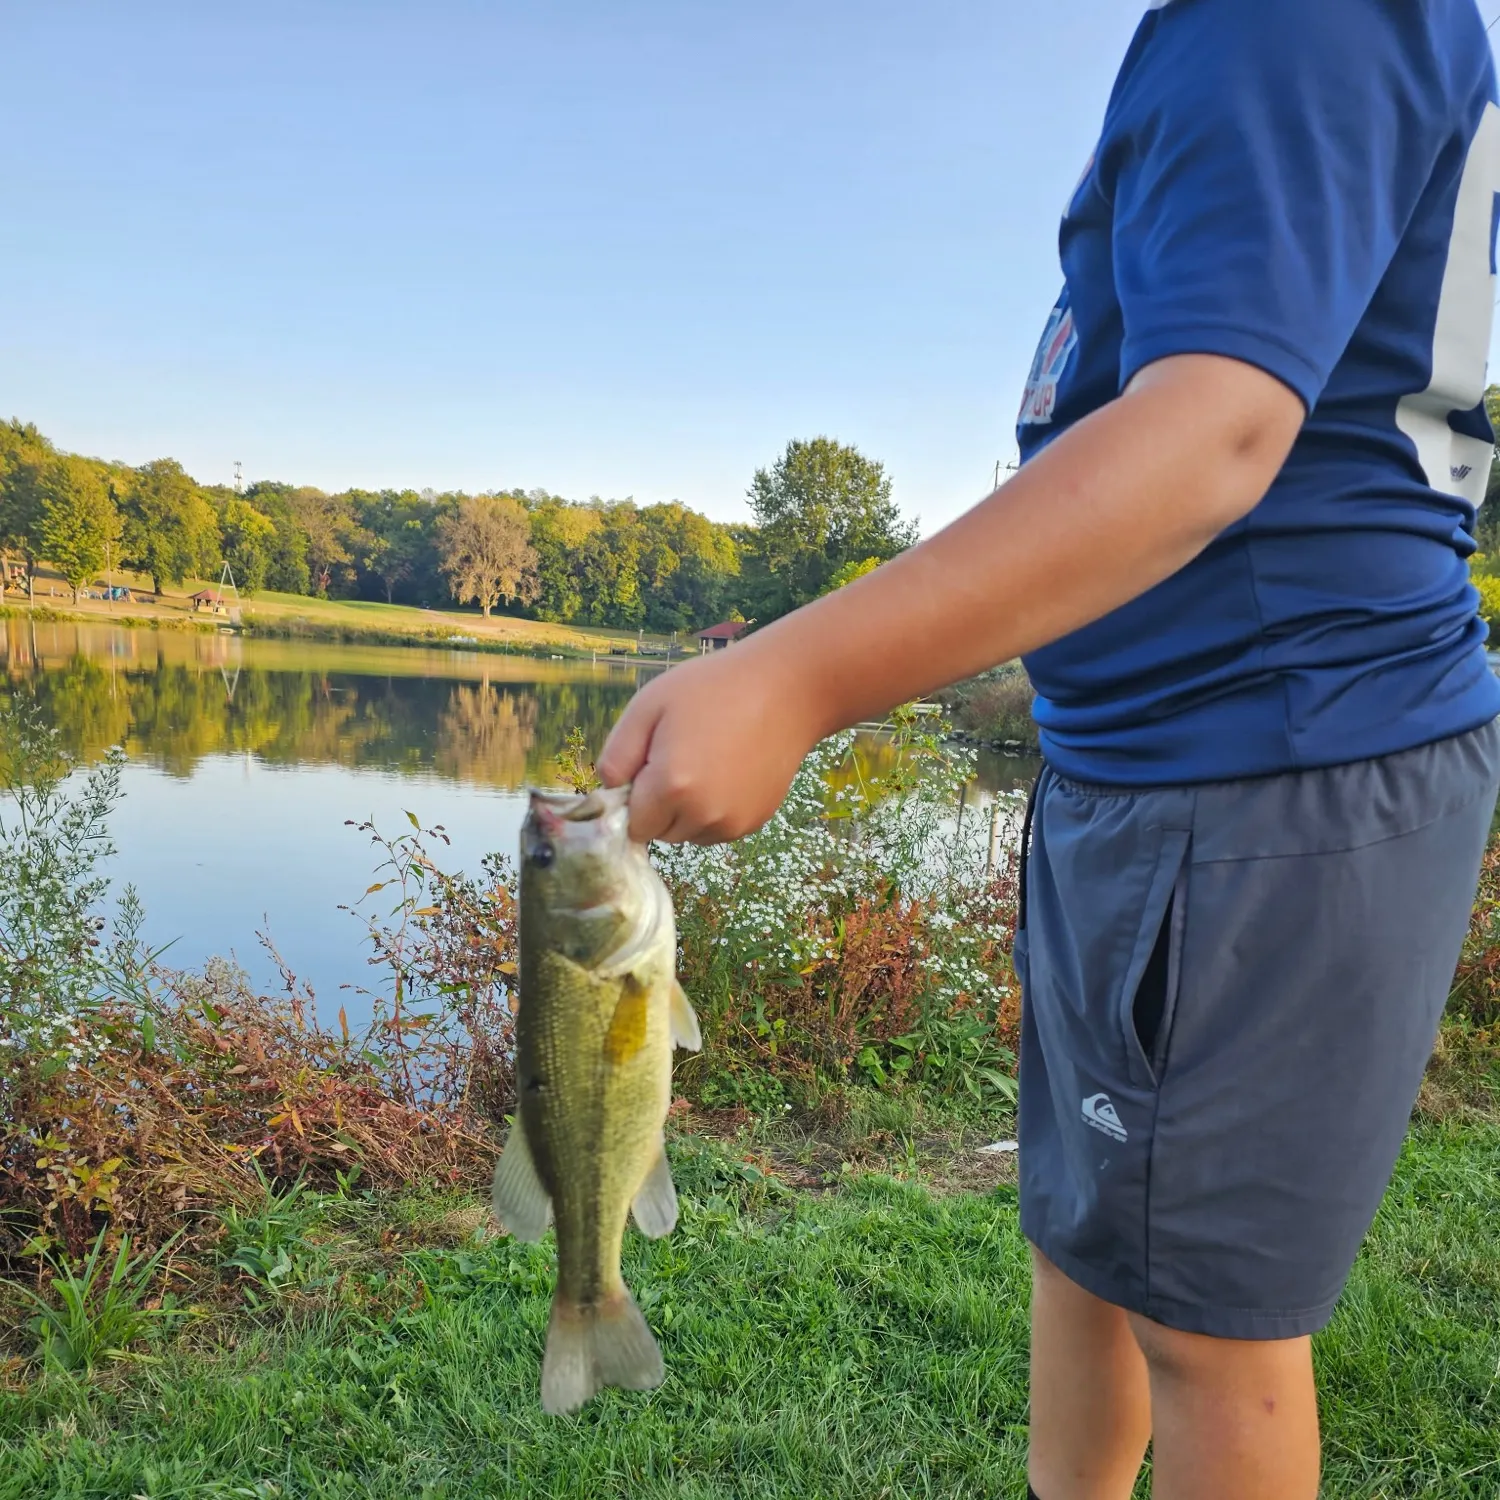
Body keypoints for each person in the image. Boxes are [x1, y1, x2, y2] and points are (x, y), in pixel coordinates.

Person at [598, 1, 1500, 1495]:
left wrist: (803, 678)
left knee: (1209, 1329)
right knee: (1084, 1235)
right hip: (1143, 767)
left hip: (1270, 755)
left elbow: (1214, 432)